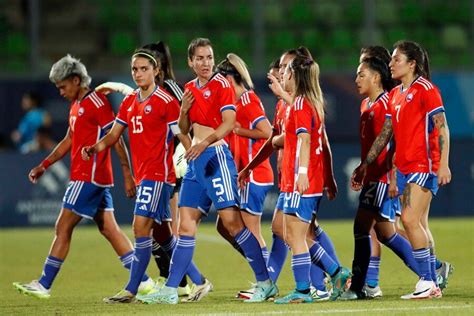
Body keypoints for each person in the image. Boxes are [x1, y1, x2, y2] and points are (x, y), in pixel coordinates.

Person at [138, 37, 276, 304]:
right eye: (199, 58)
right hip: (196, 162)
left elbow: (228, 124)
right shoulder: (189, 88)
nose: (205, 63)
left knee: (233, 224)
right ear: (190, 62)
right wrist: (186, 115)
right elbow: (182, 126)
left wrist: (203, 145)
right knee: (185, 225)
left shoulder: (222, 85)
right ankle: (170, 290)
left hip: (216, 158)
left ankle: (265, 282)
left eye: (209, 58)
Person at [12, 54, 154, 299]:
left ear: (76, 80)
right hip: (92, 177)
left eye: (63, 86)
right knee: (109, 229)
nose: (60, 91)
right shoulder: (77, 105)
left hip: (88, 176)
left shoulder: (97, 103)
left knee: (62, 226)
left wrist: (127, 174)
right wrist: (44, 164)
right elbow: (69, 140)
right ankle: (142, 281)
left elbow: (116, 137)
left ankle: (44, 284)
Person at [82, 47, 197, 303]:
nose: (138, 73)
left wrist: (193, 157)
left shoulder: (165, 102)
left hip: (159, 175)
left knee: (139, 227)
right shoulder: (130, 101)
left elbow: (180, 133)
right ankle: (199, 282)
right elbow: (114, 135)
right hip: (145, 175)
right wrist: (95, 147)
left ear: (156, 71)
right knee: (163, 235)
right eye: (135, 69)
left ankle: (131, 289)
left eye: (144, 68)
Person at [352, 40, 451, 299]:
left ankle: (428, 281)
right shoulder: (396, 95)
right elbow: (387, 135)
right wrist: (367, 164)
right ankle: (433, 278)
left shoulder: (426, 90)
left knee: (407, 220)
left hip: (425, 164)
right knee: (416, 223)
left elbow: (442, 127)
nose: (391, 64)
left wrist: (443, 164)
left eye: (396, 59)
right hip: (406, 167)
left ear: (412, 64)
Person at [269, 53, 350, 304]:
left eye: (287, 71)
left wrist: (302, 174)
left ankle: (303, 290)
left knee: (296, 236)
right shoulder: (303, 102)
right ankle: (336, 272)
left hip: (300, 181)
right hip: (296, 180)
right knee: (286, 230)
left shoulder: (302, 104)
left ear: (295, 75)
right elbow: (296, 138)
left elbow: (304, 140)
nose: (283, 74)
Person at [340, 55, 421, 300]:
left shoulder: (387, 103)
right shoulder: (365, 105)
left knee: (362, 227)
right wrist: (365, 168)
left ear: (376, 77)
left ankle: (358, 288)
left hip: (383, 177)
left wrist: (392, 176)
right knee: (385, 233)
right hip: (372, 175)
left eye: (361, 74)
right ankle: (430, 272)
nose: (356, 80)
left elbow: (393, 140)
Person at [214, 53, 273, 275]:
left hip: (254, 173)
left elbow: (267, 132)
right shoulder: (233, 104)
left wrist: (238, 130)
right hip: (242, 175)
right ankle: (262, 270)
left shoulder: (248, 100)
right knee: (224, 226)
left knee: (251, 230)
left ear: (229, 80)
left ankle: (266, 279)